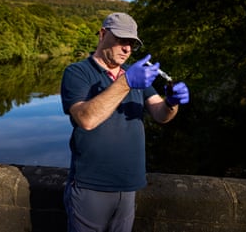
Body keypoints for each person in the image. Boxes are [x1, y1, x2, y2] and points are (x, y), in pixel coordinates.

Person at [60, 12, 189, 232]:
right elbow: (86, 119)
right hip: (92, 186)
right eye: (121, 40)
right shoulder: (77, 72)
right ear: (102, 35)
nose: (127, 49)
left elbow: (161, 115)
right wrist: (126, 83)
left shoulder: (133, 73)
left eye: (131, 43)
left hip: (129, 185)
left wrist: (172, 102)